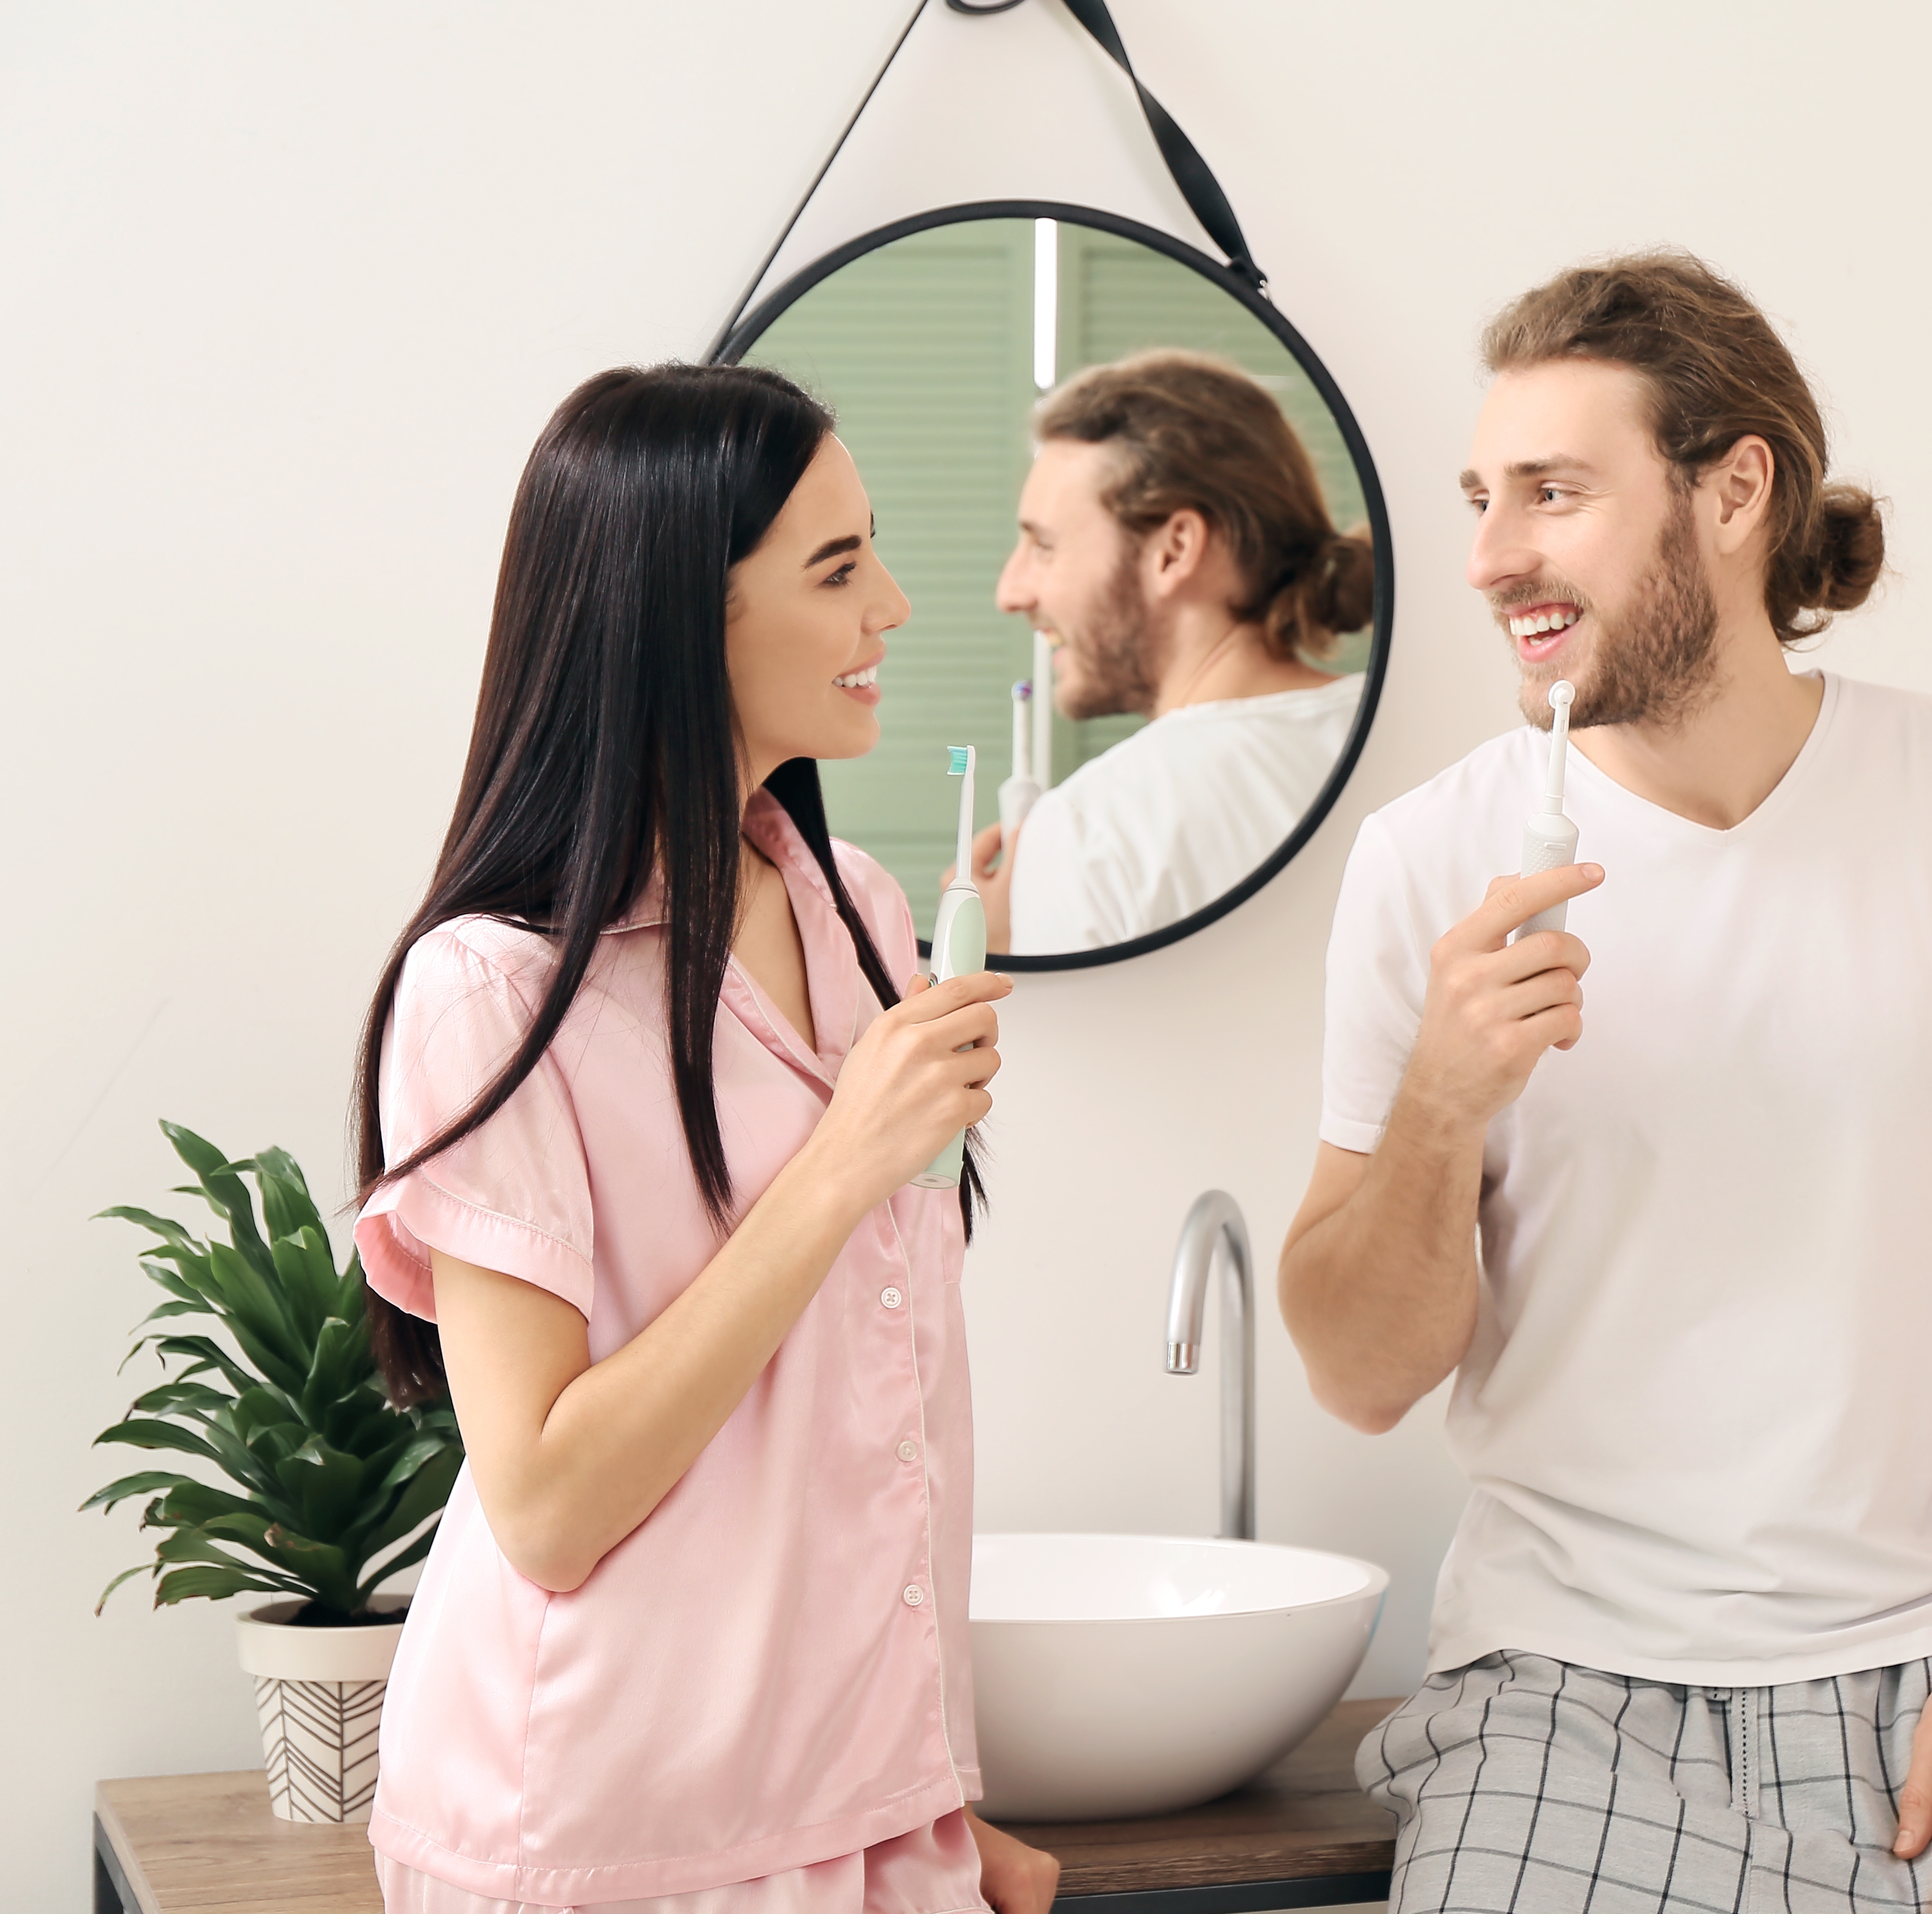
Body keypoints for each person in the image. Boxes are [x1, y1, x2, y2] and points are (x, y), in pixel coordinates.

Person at [1279, 255, 1932, 1914]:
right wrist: (1445, 1102)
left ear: (1735, 488)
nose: (1489, 559)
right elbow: (1356, 1373)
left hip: (1931, 1686)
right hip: (1561, 1699)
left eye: (1554, 493)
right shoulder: (1429, 866)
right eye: (1482, 498)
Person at [349, 363, 1056, 1914]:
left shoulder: (862, 910)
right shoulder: (494, 987)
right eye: (837, 566)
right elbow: (543, 1500)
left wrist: (923, 1796)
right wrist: (841, 1162)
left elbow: (883, 1416)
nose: (896, 607)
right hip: (607, 1830)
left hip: (855, 1813)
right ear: (685, 616)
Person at [962, 348, 1373, 953]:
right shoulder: (1423, 748)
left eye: (1044, 548)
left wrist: (996, 953)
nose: (1010, 591)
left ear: (1175, 550)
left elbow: (1068, 1051)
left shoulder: (1090, 832)